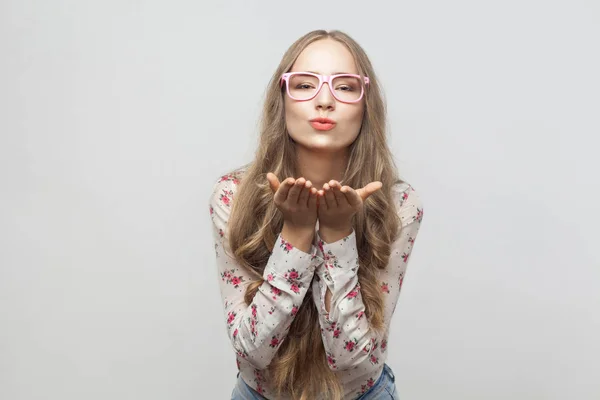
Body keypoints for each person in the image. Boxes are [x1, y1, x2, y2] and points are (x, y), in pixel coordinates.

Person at [208, 29, 424, 400]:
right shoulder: (233, 195)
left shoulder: (398, 205)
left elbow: (353, 358)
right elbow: (252, 350)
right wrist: (296, 232)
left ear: (366, 103)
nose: (324, 101)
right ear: (282, 99)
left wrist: (338, 235)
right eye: (305, 85)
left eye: (344, 87)